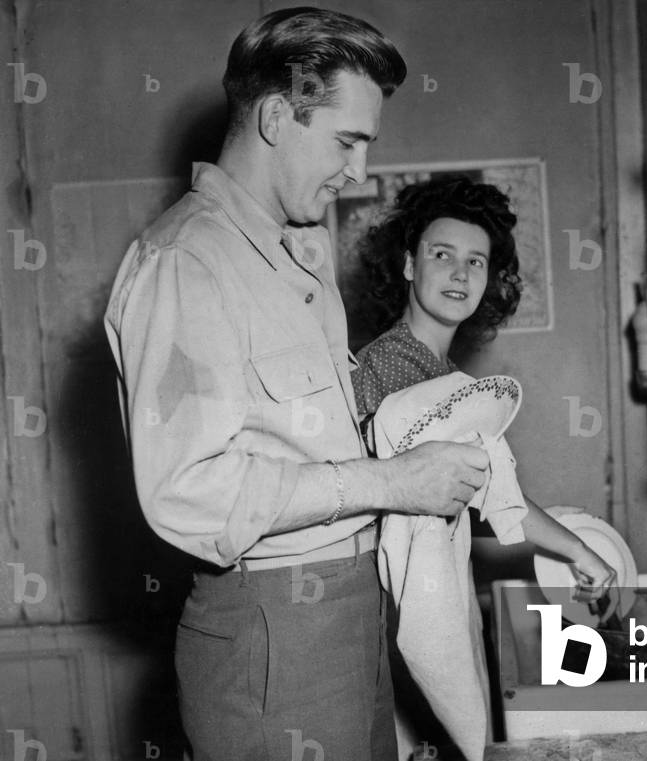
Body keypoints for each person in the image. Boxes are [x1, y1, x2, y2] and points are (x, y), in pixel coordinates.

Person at [104, 9, 489, 761]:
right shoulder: (187, 262)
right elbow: (186, 490)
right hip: (277, 628)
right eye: (348, 141)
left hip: (346, 606)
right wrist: (391, 481)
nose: (359, 171)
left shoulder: (295, 258)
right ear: (278, 117)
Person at [353, 176, 617, 594]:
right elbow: (471, 495)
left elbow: (464, 498)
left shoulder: (440, 372)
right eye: (442, 255)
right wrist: (575, 547)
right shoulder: (393, 365)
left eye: (476, 261)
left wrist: (559, 535)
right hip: (381, 597)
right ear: (408, 265)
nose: (460, 273)